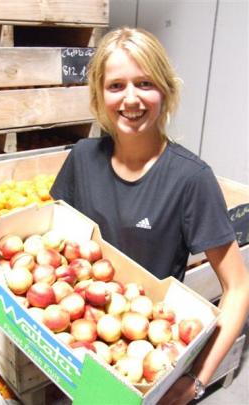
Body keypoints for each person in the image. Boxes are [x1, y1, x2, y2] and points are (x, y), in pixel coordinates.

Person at [50, 27, 249, 404]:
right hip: (79, 342)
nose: (131, 99)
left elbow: (239, 288)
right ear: (98, 94)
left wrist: (195, 382)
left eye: (145, 83)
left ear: (165, 90)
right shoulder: (82, 159)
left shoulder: (191, 178)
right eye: (116, 86)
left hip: (146, 356)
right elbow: (57, 247)